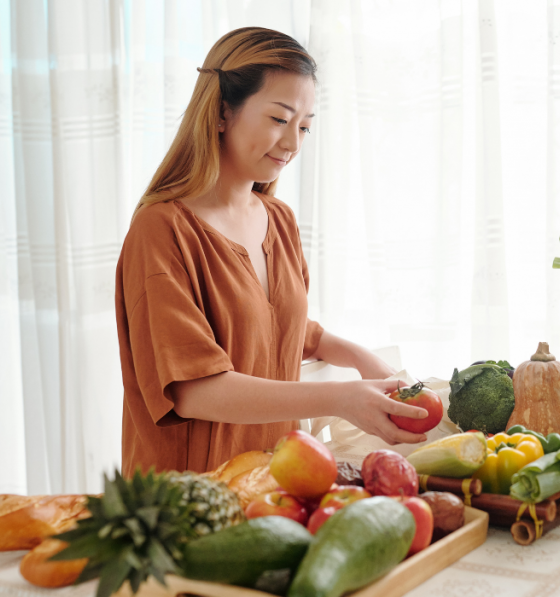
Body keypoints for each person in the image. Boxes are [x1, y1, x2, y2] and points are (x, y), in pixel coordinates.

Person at [115, 27, 427, 476]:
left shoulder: (278, 220)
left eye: (304, 126)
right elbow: (191, 389)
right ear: (222, 111)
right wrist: (340, 399)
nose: (293, 143)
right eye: (280, 119)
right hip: (190, 501)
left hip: (277, 484)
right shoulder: (161, 229)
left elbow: (275, 329)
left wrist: (361, 358)